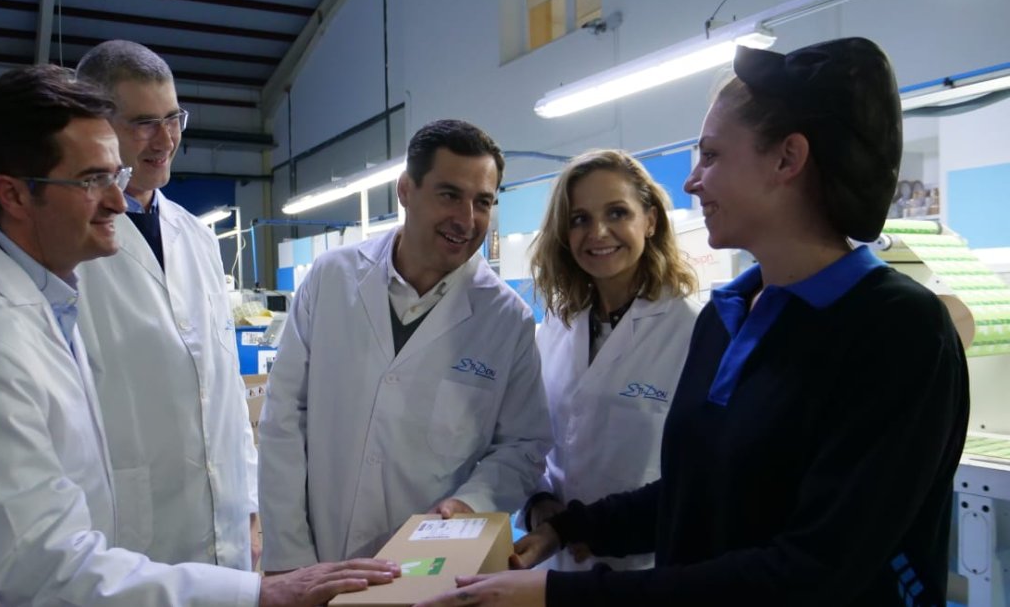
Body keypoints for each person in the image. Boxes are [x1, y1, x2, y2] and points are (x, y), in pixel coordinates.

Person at [415, 38, 970, 607]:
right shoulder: (728, 317)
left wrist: (560, 595)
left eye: (710, 155)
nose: (691, 181)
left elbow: (813, 572)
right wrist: (570, 528)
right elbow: (692, 496)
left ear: (787, 158)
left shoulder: (898, 331)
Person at [0, 64, 397, 606]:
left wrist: (249, 512)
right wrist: (257, 596)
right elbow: (41, 572)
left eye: (114, 176)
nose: (119, 202)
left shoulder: (43, 291)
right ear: (14, 195)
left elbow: (216, 391)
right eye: (92, 180)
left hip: (154, 559)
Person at [259, 119, 554, 571]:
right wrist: (289, 558)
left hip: (432, 566)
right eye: (449, 194)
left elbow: (523, 445)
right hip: (320, 556)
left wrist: (470, 502)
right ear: (405, 190)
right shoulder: (331, 278)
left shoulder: (507, 319)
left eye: (483, 202)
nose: (466, 219)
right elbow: (283, 419)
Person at [73, 40, 260, 569]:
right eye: (144, 123)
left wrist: (248, 503)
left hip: (226, 524)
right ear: (96, 123)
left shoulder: (197, 236)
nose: (167, 139)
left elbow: (222, 385)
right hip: (128, 533)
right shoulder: (69, 247)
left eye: (174, 117)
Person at [521, 149, 699, 572]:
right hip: (557, 560)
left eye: (617, 213)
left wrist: (598, 528)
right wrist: (538, 501)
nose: (598, 232)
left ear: (650, 220)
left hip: (644, 567)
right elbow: (535, 438)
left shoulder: (693, 330)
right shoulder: (557, 327)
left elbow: (700, 478)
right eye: (579, 219)